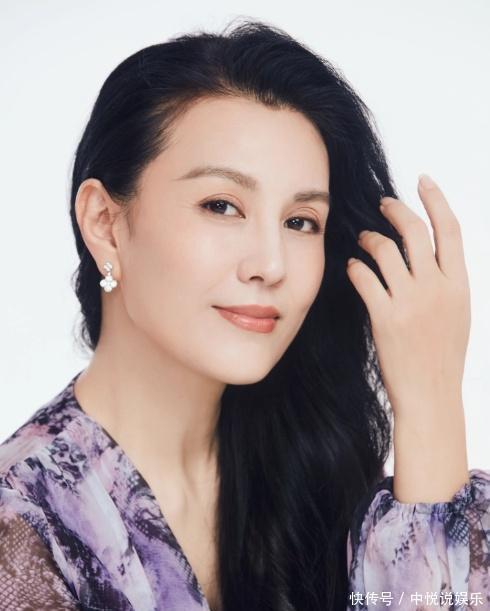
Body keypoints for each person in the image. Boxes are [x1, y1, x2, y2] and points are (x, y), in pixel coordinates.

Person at [0, 18, 488, 611]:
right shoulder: (22, 528)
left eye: (300, 221)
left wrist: (430, 403)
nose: (271, 264)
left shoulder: (309, 472)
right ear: (105, 223)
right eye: (222, 206)